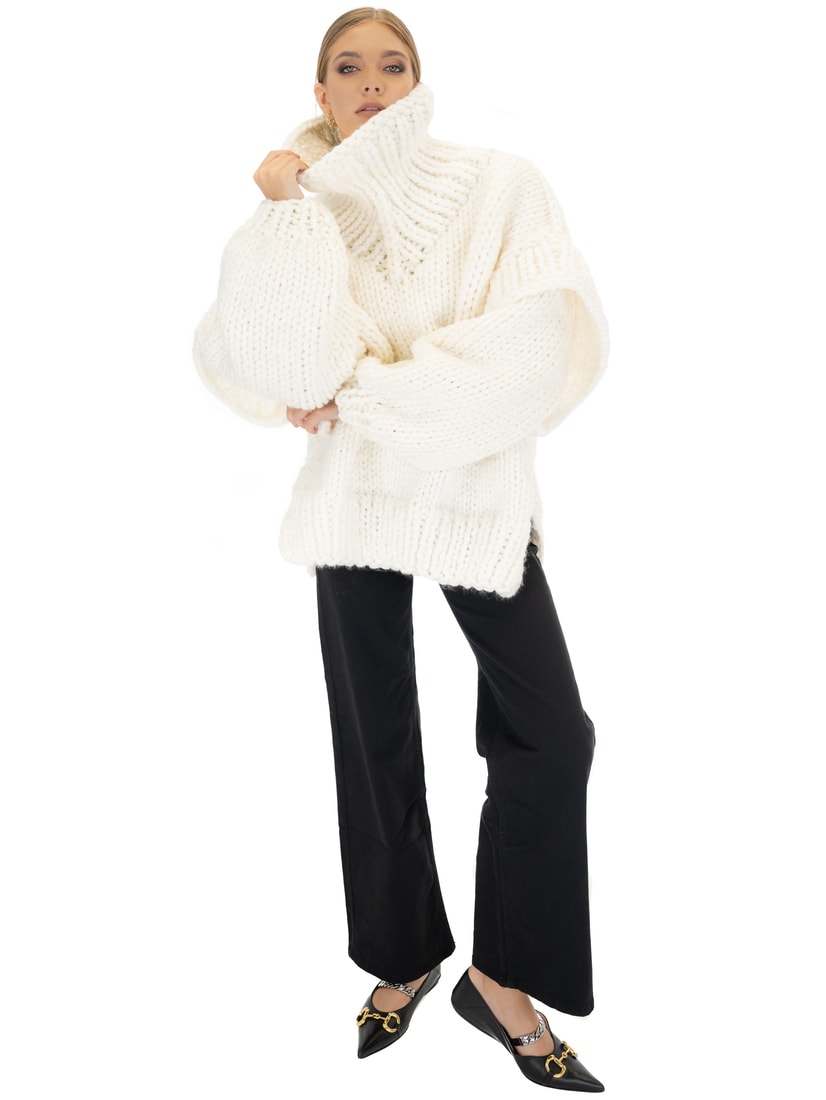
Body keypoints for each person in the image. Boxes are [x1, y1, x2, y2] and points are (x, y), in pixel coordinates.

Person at [193, 7, 609, 1092]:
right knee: (371, 737)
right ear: (320, 91)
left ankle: (501, 978)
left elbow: (526, 359)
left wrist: (361, 391)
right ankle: (404, 954)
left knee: (553, 734)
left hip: (476, 495)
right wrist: (286, 210)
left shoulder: (501, 186)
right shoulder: (295, 210)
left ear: (419, 81)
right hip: (352, 500)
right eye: (349, 68)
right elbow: (278, 368)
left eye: (393, 65)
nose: (371, 83)